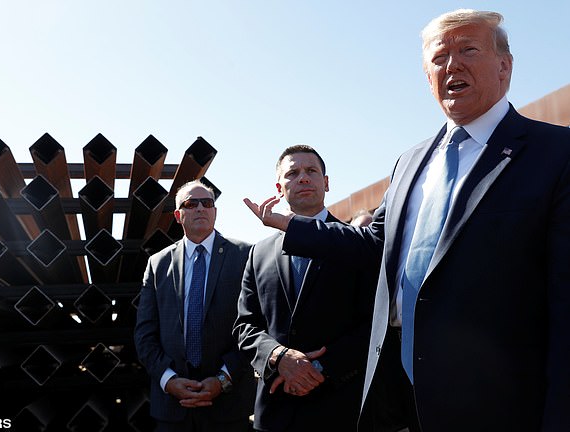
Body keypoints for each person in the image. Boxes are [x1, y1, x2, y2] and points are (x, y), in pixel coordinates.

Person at [244, 9, 570, 432]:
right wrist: (293, 227)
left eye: (468, 50)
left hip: (498, 401)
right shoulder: (410, 162)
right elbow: (374, 244)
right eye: (439, 57)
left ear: (504, 66)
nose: (452, 65)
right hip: (399, 397)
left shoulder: (554, 154)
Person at [233, 145, 379, 432]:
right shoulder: (258, 253)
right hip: (275, 410)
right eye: (293, 173)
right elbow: (245, 326)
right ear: (279, 187)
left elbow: (374, 321)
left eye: (311, 171)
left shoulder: (359, 244)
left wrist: (318, 370)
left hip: (340, 408)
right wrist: (278, 357)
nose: (303, 178)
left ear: (326, 182)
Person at [134, 180, 256, 432]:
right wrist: (169, 381)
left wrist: (223, 379)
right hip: (172, 409)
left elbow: (255, 326)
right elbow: (145, 334)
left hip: (229, 407)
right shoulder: (157, 264)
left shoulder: (246, 255)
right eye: (191, 203)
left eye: (207, 203)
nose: (200, 208)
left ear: (215, 211)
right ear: (178, 216)